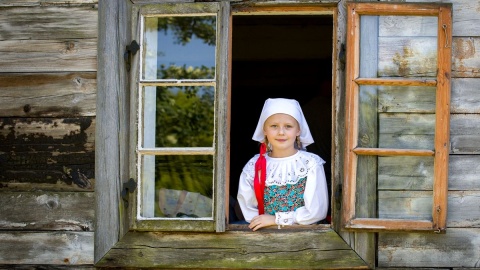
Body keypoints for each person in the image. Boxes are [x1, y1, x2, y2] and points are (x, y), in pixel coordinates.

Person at [237, 98, 329, 231]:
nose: (281, 132)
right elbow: (248, 207)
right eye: (274, 126)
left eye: (288, 126)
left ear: (298, 130)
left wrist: (276, 220)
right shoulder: (254, 165)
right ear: (264, 130)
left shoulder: (310, 164)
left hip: (305, 237)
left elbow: (316, 211)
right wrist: (262, 222)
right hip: (266, 235)